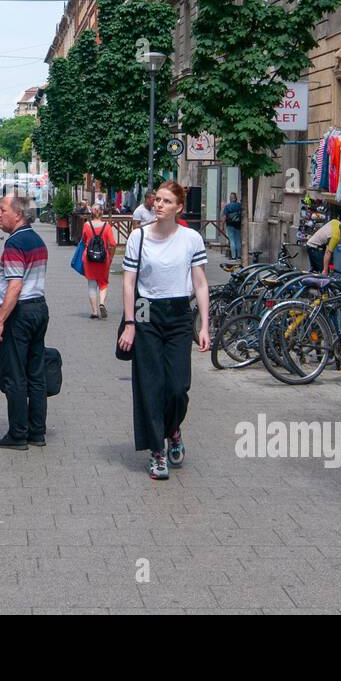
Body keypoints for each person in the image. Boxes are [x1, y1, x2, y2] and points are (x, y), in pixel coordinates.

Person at [116, 181, 211, 481]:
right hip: (145, 311)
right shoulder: (138, 237)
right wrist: (130, 324)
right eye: (157, 199)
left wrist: (205, 325)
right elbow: (129, 282)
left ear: (179, 208)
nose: (158, 205)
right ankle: (157, 451)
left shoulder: (191, 239)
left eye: (166, 201)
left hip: (180, 313)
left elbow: (200, 283)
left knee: (178, 386)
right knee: (151, 384)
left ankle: (173, 428)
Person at [0, 193, 50, 450]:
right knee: (35, 373)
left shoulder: (14, 244)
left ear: (18, 214)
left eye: (2, 209)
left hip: (21, 313)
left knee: (15, 375)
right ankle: (37, 431)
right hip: (39, 308)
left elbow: (15, 286)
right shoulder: (37, 239)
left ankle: (18, 433)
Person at [81, 204, 117, 319]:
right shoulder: (107, 226)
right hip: (103, 258)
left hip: (89, 258)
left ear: (91, 213)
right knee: (103, 283)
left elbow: (84, 239)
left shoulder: (86, 225)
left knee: (91, 285)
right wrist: (111, 256)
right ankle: (102, 303)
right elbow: (112, 244)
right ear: (102, 213)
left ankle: (94, 312)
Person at [221, 192, 243, 260]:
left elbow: (224, 217)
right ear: (236, 198)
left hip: (230, 225)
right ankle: (239, 256)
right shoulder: (239, 205)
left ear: (230, 198)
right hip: (238, 225)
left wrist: (222, 225)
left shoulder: (227, 206)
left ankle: (233, 257)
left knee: (232, 240)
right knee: (238, 240)